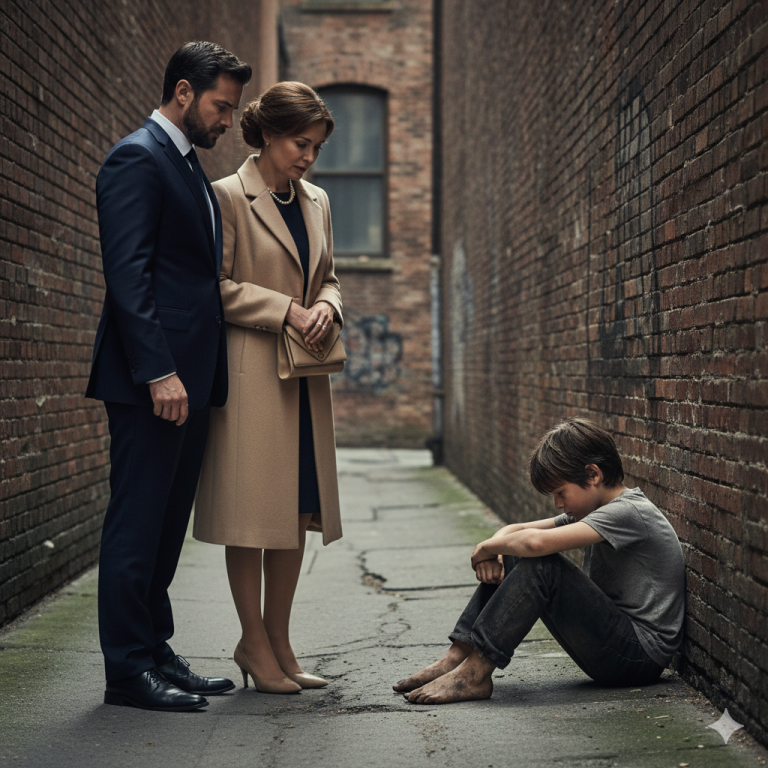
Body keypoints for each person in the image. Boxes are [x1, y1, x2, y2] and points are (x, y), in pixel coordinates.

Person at [86, 41, 252, 711]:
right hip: (151, 382)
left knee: (164, 525)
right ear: (183, 93)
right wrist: (158, 371)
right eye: (221, 106)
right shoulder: (136, 157)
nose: (228, 121)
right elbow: (129, 277)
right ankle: (127, 669)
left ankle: (155, 650)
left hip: (189, 382)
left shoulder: (184, 165)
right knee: (136, 523)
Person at [193, 82, 343, 694]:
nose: (308, 157)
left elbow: (330, 277)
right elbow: (213, 287)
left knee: (296, 510)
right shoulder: (227, 197)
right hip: (253, 375)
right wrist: (285, 309)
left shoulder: (318, 201)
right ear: (269, 135)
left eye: (316, 147)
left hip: (306, 379)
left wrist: (329, 306)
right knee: (252, 516)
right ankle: (252, 643)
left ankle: (279, 642)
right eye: (299, 143)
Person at [394, 417, 686, 705]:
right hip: (615, 647)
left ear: (593, 475)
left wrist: (485, 547)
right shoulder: (594, 510)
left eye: (561, 492)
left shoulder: (629, 512)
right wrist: (494, 549)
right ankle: (457, 657)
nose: (558, 504)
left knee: (541, 564)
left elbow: (535, 542)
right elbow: (517, 531)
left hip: (636, 657)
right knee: (514, 549)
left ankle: (474, 674)